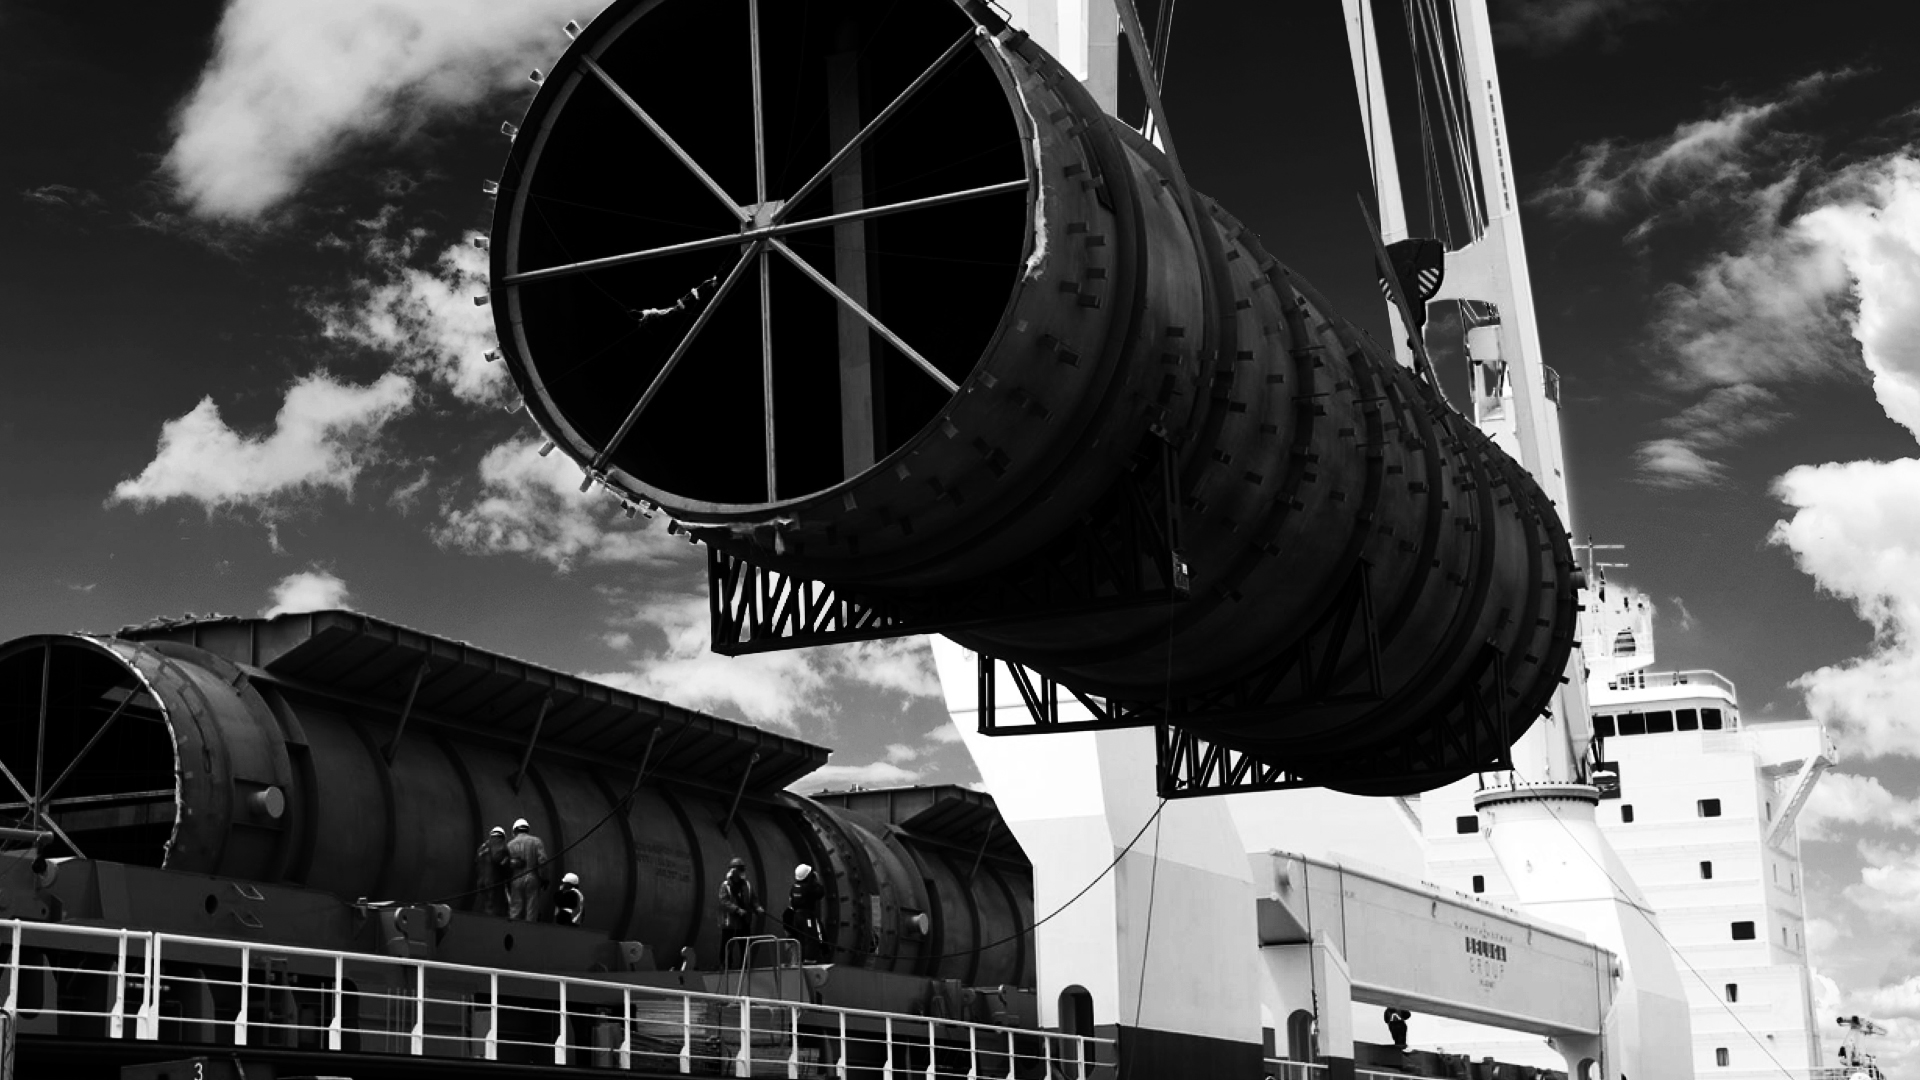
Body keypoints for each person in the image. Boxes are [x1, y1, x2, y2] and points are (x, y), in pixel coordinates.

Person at [717, 857, 760, 968]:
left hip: (744, 922)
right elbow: (724, 901)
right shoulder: (725, 886)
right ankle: (725, 966)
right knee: (727, 947)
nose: (742, 871)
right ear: (733, 870)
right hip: (730, 923)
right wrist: (736, 909)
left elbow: (753, 899)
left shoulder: (748, 885)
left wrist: (758, 908)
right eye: (740, 869)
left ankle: (745, 967)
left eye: (743, 869)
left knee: (745, 946)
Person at [505, 817, 549, 921]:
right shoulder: (536, 841)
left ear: (515, 830)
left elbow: (506, 866)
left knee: (515, 909)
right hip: (532, 878)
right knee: (531, 909)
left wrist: (507, 882)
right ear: (527, 829)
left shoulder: (510, 845)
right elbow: (542, 861)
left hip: (515, 880)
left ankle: (514, 931)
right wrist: (544, 878)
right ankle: (528, 933)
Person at [783, 862, 825, 961]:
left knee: (800, 938)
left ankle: (799, 959)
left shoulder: (794, 887)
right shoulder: (809, 888)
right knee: (810, 937)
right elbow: (820, 893)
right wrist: (817, 881)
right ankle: (809, 959)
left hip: (796, 916)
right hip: (807, 916)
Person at [475, 826, 510, 916]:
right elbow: (499, 859)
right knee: (495, 909)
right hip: (495, 881)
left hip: (482, 881)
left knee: (484, 906)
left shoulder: (482, 848)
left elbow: (477, 863)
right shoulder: (499, 844)